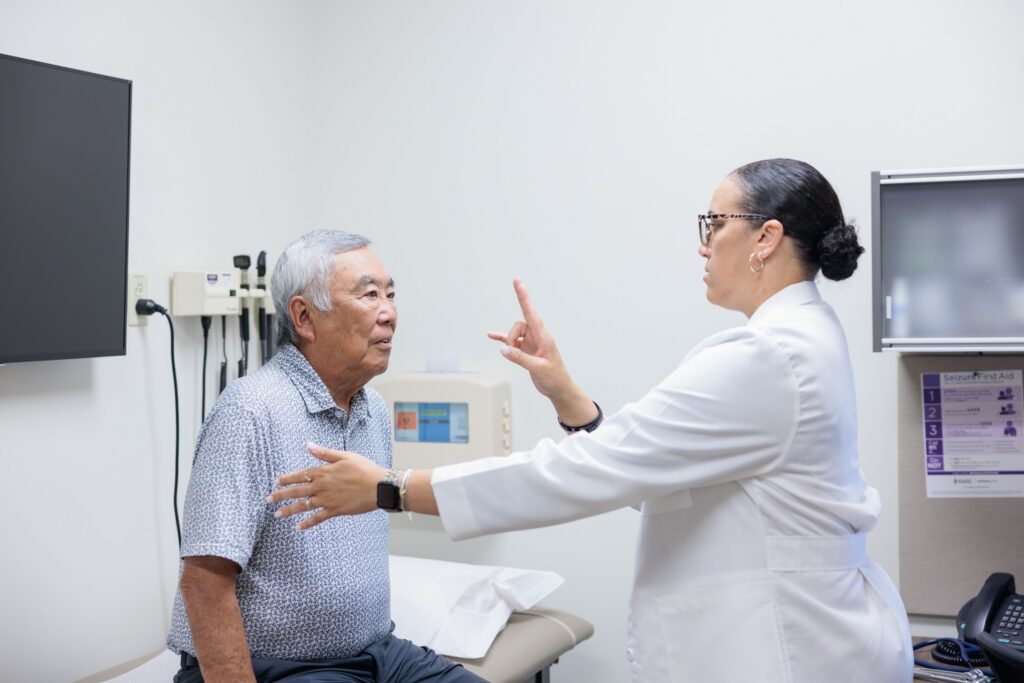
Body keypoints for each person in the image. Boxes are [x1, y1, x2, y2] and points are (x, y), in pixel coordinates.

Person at [268, 160, 915, 683]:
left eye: (713, 223)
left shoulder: (767, 355)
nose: (702, 243)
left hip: (788, 648)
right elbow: (650, 466)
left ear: (766, 238)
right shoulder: (802, 336)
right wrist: (563, 390)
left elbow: (588, 472)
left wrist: (391, 487)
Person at [166, 230, 483, 683]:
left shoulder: (372, 408)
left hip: (380, 655)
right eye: (369, 295)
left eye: (391, 294)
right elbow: (204, 582)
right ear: (304, 317)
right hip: (282, 669)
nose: (389, 313)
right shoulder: (250, 412)